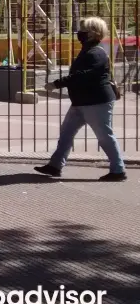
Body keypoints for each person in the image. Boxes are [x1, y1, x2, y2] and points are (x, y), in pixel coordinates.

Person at [35, 17, 127, 182]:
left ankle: (118, 170)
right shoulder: (88, 50)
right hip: (81, 102)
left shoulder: (96, 53)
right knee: (66, 133)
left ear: (93, 33)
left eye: (84, 29)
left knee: (105, 136)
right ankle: (55, 165)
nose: (80, 32)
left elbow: (82, 76)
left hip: (96, 102)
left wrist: (57, 83)